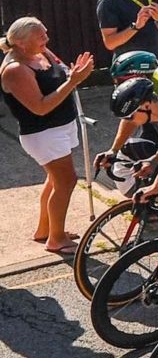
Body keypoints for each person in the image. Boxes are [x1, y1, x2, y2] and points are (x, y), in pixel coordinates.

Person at [2, 18, 93, 254]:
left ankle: (46, 230)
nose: (47, 39)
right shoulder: (15, 70)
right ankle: (56, 239)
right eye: (41, 36)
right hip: (43, 134)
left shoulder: (42, 52)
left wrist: (73, 74)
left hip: (60, 128)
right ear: (21, 43)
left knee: (54, 180)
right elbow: (40, 107)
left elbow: (61, 72)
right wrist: (74, 81)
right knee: (67, 181)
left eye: (45, 33)